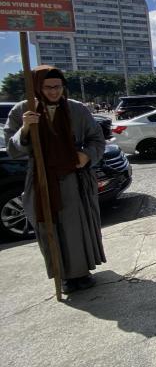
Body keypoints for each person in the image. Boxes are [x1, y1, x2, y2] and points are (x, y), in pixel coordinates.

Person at [3, 66, 106, 294]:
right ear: (37, 87)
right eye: (47, 87)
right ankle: (62, 275)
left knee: (76, 226)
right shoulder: (22, 110)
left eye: (57, 87)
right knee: (49, 227)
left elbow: (97, 139)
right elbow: (13, 149)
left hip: (74, 178)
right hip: (42, 180)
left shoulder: (76, 109)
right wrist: (26, 128)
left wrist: (86, 155)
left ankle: (81, 272)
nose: (53, 92)